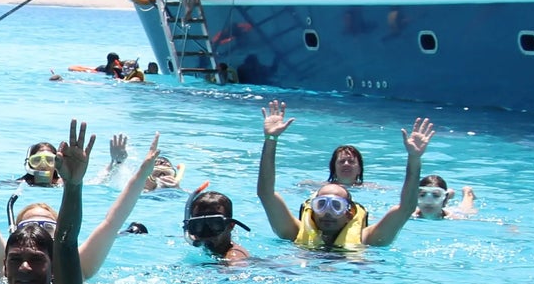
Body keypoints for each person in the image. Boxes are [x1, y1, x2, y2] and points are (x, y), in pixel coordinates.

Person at [0, 110, 158, 279]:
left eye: (47, 226)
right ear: (13, 234)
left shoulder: (77, 270)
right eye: (29, 226)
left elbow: (112, 223)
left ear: (60, 233)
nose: (37, 232)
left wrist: (141, 176)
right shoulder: (0, 265)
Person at [256, 100, 437, 250]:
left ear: (350, 212)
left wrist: (414, 158)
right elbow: (266, 193)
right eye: (321, 204)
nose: (327, 212)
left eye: (336, 205)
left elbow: (406, 208)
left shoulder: (368, 239)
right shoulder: (293, 233)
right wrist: (271, 140)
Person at [182, 183, 252, 263]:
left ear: (231, 226)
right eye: (198, 224)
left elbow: (236, 267)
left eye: (215, 224)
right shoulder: (200, 238)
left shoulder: (233, 260)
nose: (206, 232)